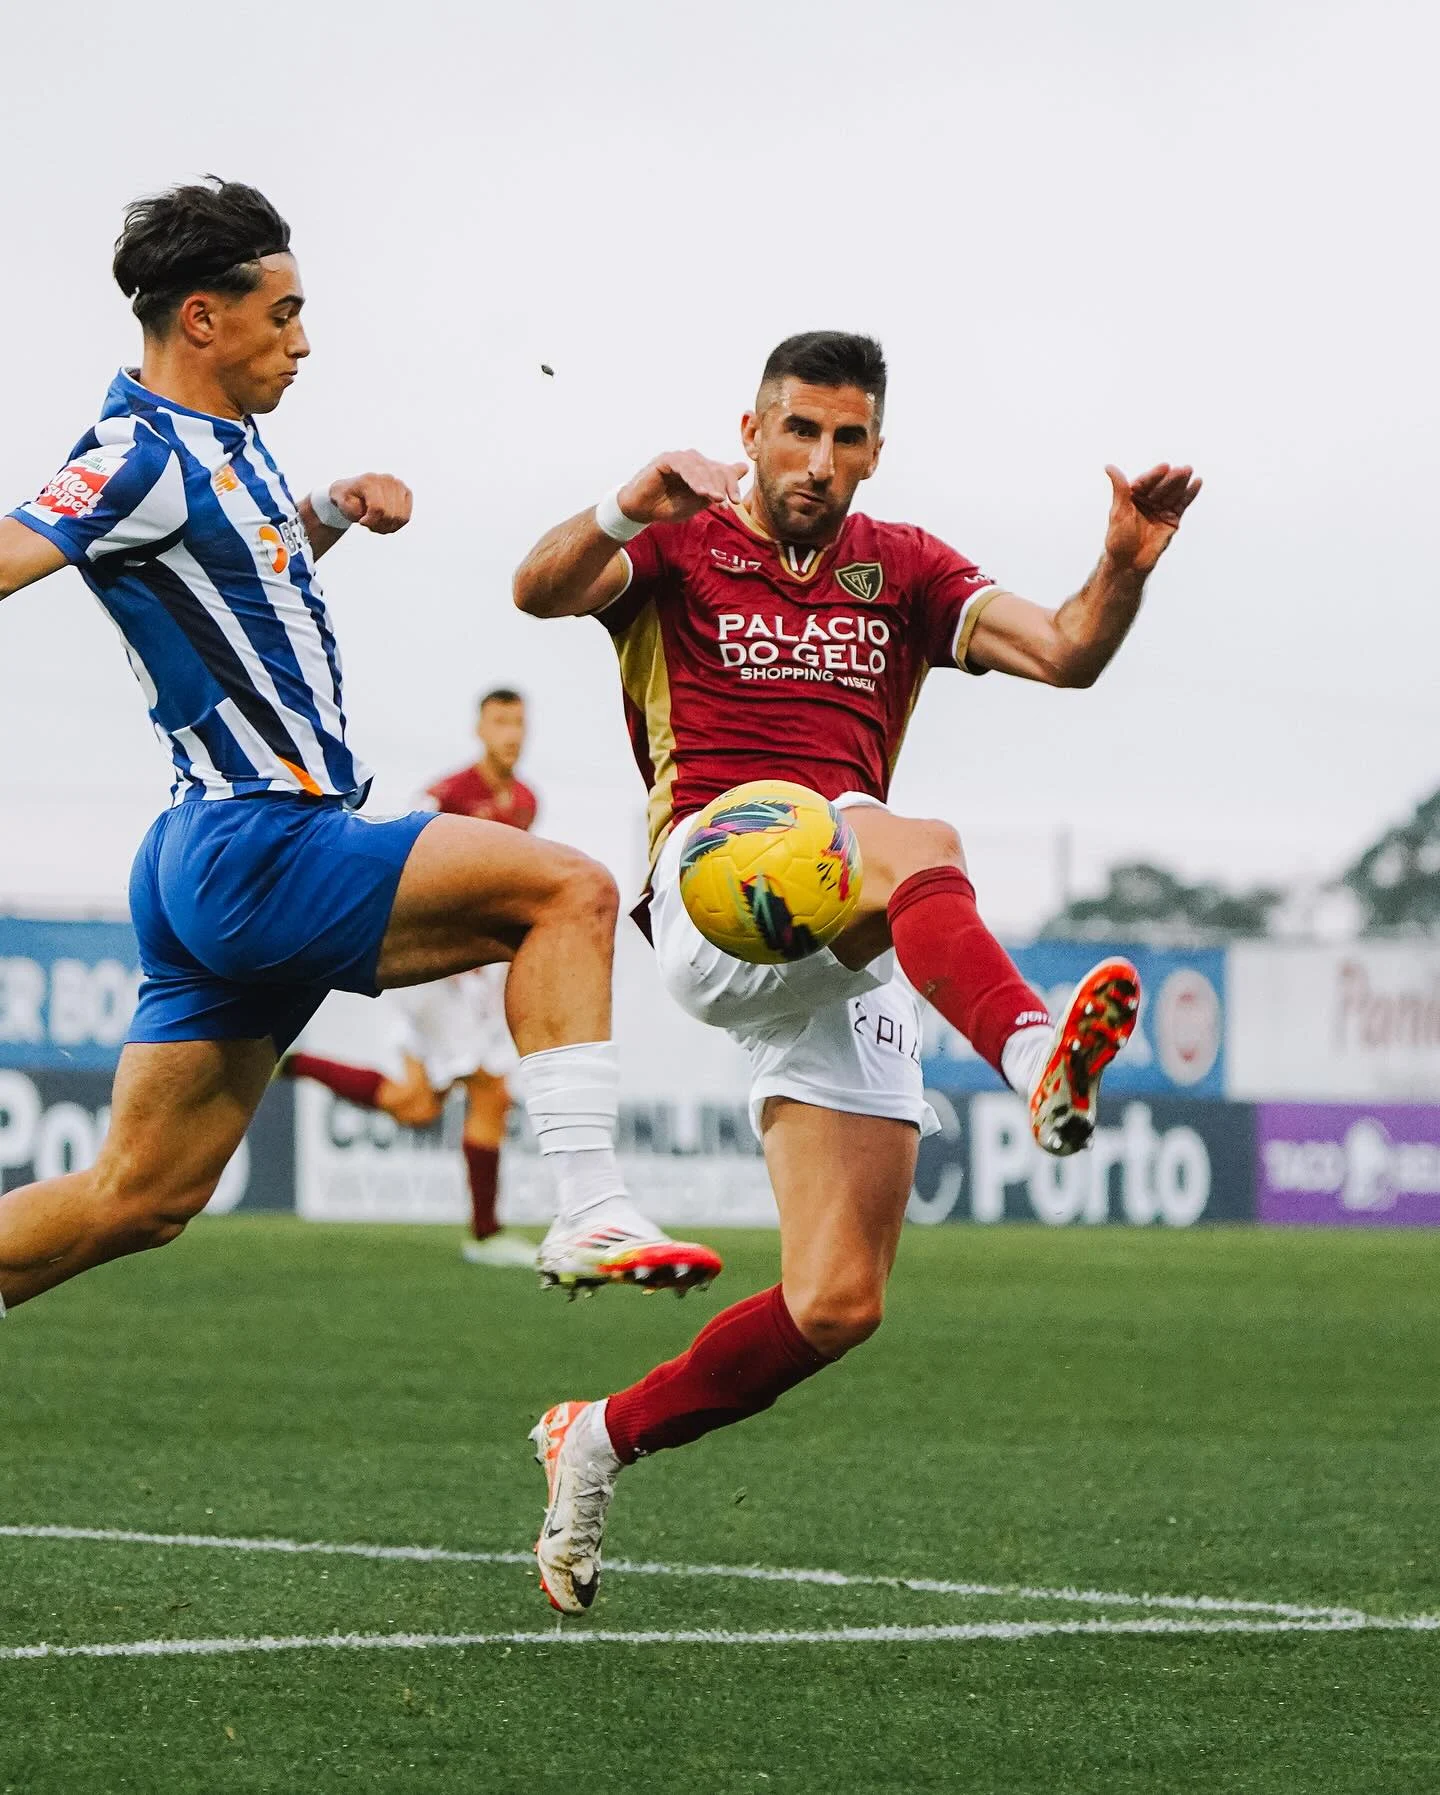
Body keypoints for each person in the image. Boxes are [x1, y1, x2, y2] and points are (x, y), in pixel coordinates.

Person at [512, 329, 1201, 1611]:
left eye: (845, 439)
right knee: (915, 840)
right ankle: (1031, 1050)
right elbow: (537, 588)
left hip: (850, 934)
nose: (818, 461)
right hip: (713, 889)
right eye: (797, 431)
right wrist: (623, 501)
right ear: (754, 427)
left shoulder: (905, 569)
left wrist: (1118, 567)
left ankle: (596, 1438)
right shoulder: (682, 538)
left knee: (836, 1303)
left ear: (874, 449)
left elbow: (1065, 650)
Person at [0, 178, 720, 1320]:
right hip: (261, 839)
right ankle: (590, 1207)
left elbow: (236, 600)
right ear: (202, 318)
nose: (304, 340)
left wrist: (325, 515)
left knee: (139, 1197)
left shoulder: (215, 450)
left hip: (207, 853)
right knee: (570, 893)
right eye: (282, 313)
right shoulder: (135, 453)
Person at [281, 689, 542, 1267]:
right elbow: (400, 860)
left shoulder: (524, 800)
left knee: (417, 1103)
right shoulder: (447, 795)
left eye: (518, 722)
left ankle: (298, 1063)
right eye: (500, 721)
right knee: (491, 1091)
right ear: (479, 728)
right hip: (439, 972)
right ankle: (486, 1233)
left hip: (475, 974)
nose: (511, 733)